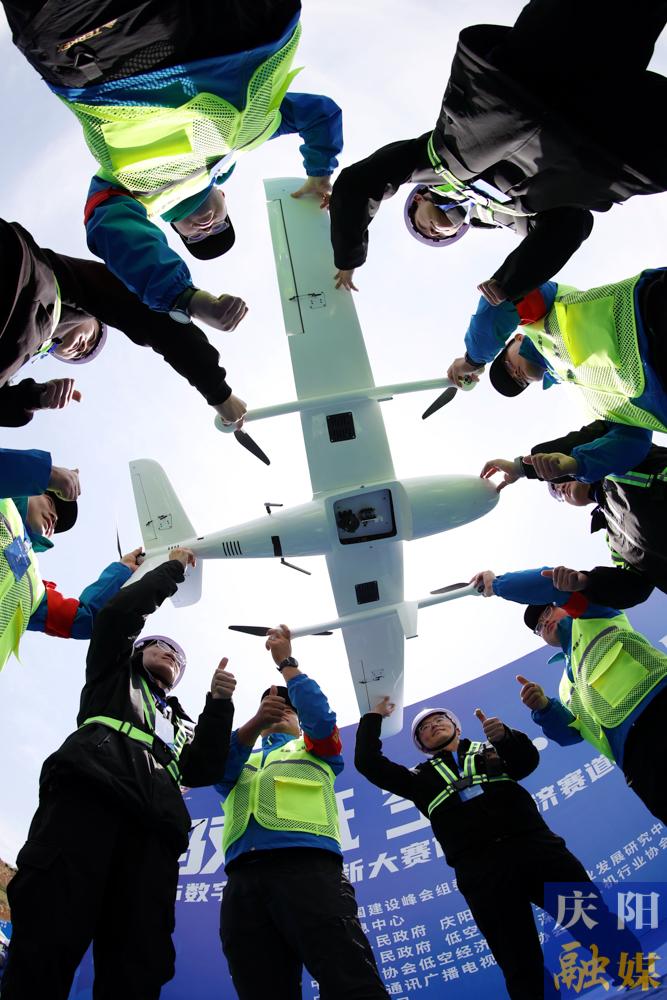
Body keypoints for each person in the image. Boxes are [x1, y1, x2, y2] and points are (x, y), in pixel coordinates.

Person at [2, 1, 342, 325]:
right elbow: (318, 115)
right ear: (224, 198)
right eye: (220, 226)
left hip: (109, 52)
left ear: (174, 228)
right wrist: (320, 172)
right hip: (248, 27)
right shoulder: (239, 146)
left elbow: (115, 233)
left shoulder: (136, 197)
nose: (207, 228)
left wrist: (184, 298)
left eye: (195, 237)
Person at [1, 547, 236, 1000]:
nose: (172, 654)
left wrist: (219, 705)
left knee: (140, 958)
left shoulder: (180, 723)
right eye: (162, 646)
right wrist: (171, 571)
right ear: (138, 649)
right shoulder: (113, 672)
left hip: (154, 829)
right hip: (90, 793)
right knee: (49, 929)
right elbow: (116, 616)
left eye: (179, 657)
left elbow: (205, 767)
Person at [329, 0, 667, 297]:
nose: (432, 233)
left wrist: (348, 255)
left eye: (421, 227)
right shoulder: (510, 219)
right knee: (637, 16)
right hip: (594, 118)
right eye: (439, 237)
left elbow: (359, 183)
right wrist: (509, 283)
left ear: (418, 200)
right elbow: (569, 227)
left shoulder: (426, 164)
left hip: (523, 74)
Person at [355, 699, 641, 1000]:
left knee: (592, 919)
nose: (432, 726)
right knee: (517, 956)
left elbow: (526, 762)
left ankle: (638, 978)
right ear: (422, 745)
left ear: (457, 727)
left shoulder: (491, 750)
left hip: (538, 851)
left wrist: (505, 736)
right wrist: (374, 716)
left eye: (439, 720)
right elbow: (367, 762)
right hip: (481, 872)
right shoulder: (418, 780)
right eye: (424, 728)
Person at [216, 625, 387, 999]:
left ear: (299, 721)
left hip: (308, 869)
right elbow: (216, 766)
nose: (279, 710)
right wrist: (254, 723)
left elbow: (321, 719)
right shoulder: (241, 760)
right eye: (270, 706)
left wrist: (287, 665)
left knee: (350, 980)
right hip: (242, 882)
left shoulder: (315, 749)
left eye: (288, 708)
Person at [470, 566, 667, 828]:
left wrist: (498, 585)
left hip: (659, 712)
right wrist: (544, 708)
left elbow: (553, 584)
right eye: (538, 627)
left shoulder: (595, 615)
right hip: (634, 761)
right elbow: (572, 734)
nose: (544, 622)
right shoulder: (565, 687)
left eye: (547, 611)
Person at [0, 218, 245, 428]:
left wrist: (32, 399)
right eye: (94, 337)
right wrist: (218, 392)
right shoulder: (61, 281)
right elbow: (148, 317)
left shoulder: (25, 352)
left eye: (79, 356)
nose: (84, 348)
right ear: (95, 315)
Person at [446, 267, 667, 481]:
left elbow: (503, 297)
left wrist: (472, 360)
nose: (515, 374)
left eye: (507, 365)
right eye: (518, 382)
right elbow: (633, 442)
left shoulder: (544, 310)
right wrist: (576, 464)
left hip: (653, 309)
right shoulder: (587, 404)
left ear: (516, 339)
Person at [480, 420, 667, 608]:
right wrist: (587, 583)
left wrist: (524, 468)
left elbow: (608, 431)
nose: (559, 488)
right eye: (557, 495)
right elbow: (636, 587)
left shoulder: (623, 458)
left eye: (557, 481)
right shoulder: (616, 542)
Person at [0, 446, 139, 672]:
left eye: (57, 524)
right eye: (51, 502)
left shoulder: (35, 590)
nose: (54, 517)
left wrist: (122, 571)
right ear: (31, 490)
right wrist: (47, 473)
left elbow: (84, 620)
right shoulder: (3, 501)